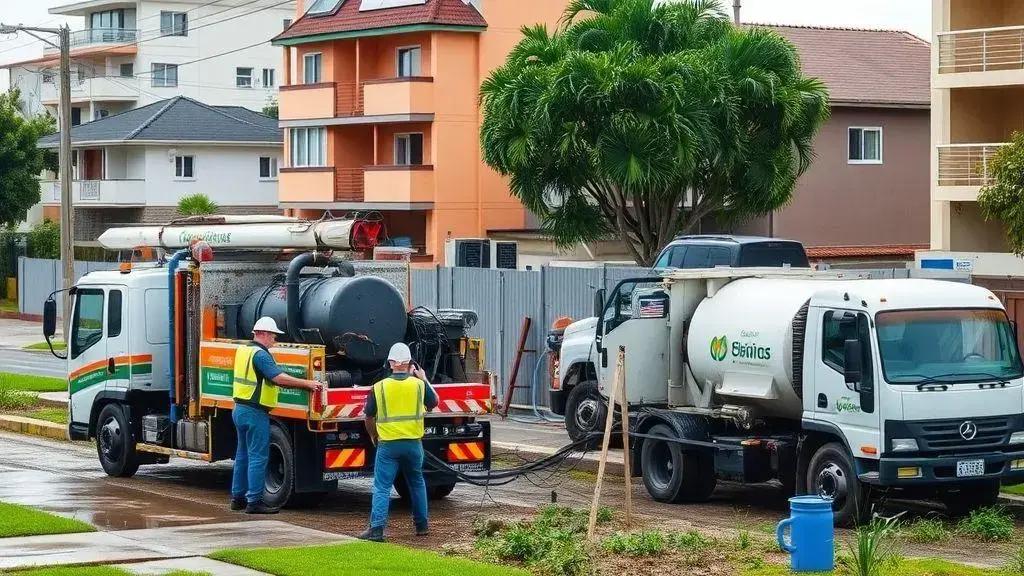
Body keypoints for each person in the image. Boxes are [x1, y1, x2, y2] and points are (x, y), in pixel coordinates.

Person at [231, 316, 323, 514]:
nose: (275, 340)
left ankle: (237, 498)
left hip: (239, 409)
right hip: (255, 411)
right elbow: (278, 378)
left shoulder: (243, 350)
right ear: (262, 334)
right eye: (273, 336)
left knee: (242, 455)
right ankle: (254, 502)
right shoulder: (261, 355)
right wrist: (307, 384)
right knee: (258, 457)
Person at [358, 342, 439, 542]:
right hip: (413, 444)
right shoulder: (419, 385)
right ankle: (422, 526)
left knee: (382, 486)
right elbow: (434, 402)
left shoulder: (380, 387)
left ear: (391, 363)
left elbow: (368, 416)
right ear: (411, 363)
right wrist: (424, 379)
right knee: (417, 483)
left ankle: (376, 530)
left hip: (388, 445)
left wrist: (373, 435)